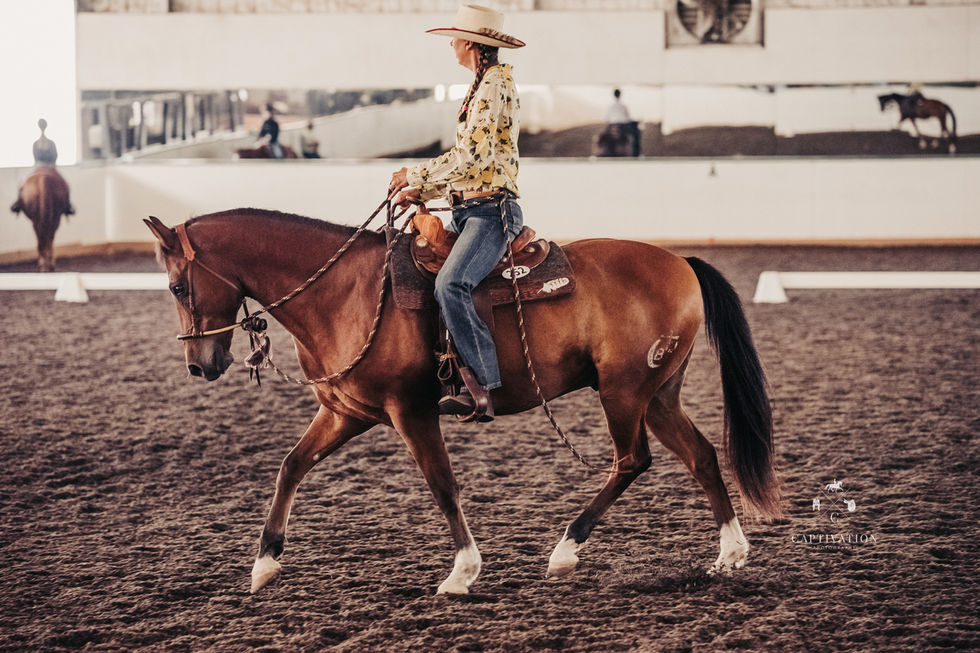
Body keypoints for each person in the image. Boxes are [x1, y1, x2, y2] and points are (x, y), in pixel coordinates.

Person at [388, 4, 525, 421]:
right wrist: (421, 189)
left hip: (491, 213)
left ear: (470, 43)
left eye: (454, 37)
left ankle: (484, 385)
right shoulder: (484, 84)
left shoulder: (494, 86)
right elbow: (472, 165)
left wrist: (415, 173)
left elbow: (471, 156)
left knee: (452, 283)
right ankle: (443, 370)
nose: (450, 43)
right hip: (471, 210)